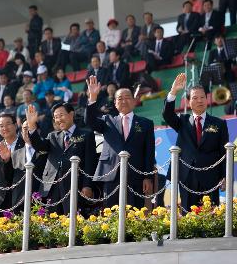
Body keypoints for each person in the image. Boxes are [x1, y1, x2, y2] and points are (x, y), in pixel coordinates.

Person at [85, 76, 155, 208]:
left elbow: (149, 153)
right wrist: (93, 98)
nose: (123, 101)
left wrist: (147, 177)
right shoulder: (108, 121)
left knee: (134, 216)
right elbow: (90, 121)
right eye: (120, 98)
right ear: (115, 103)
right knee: (111, 215)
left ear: (134, 101)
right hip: (111, 175)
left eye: (127, 97)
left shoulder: (146, 124)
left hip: (135, 176)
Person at [162, 74, 229, 209]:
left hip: (211, 176)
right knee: (188, 215)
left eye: (202, 97)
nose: (199, 100)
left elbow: (224, 153)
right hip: (187, 176)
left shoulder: (219, 123)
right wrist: (173, 91)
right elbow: (167, 115)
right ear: (188, 102)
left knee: (211, 216)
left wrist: (225, 176)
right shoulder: (182, 121)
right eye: (195, 98)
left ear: (207, 99)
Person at [26, 102, 96, 215]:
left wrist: (87, 185)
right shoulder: (52, 136)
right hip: (52, 187)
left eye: (61, 115)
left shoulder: (86, 134)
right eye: (56, 117)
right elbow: (39, 147)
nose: (59, 120)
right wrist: (32, 126)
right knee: (52, 223)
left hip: (74, 186)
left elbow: (90, 162)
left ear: (71, 114)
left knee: (74, 221)